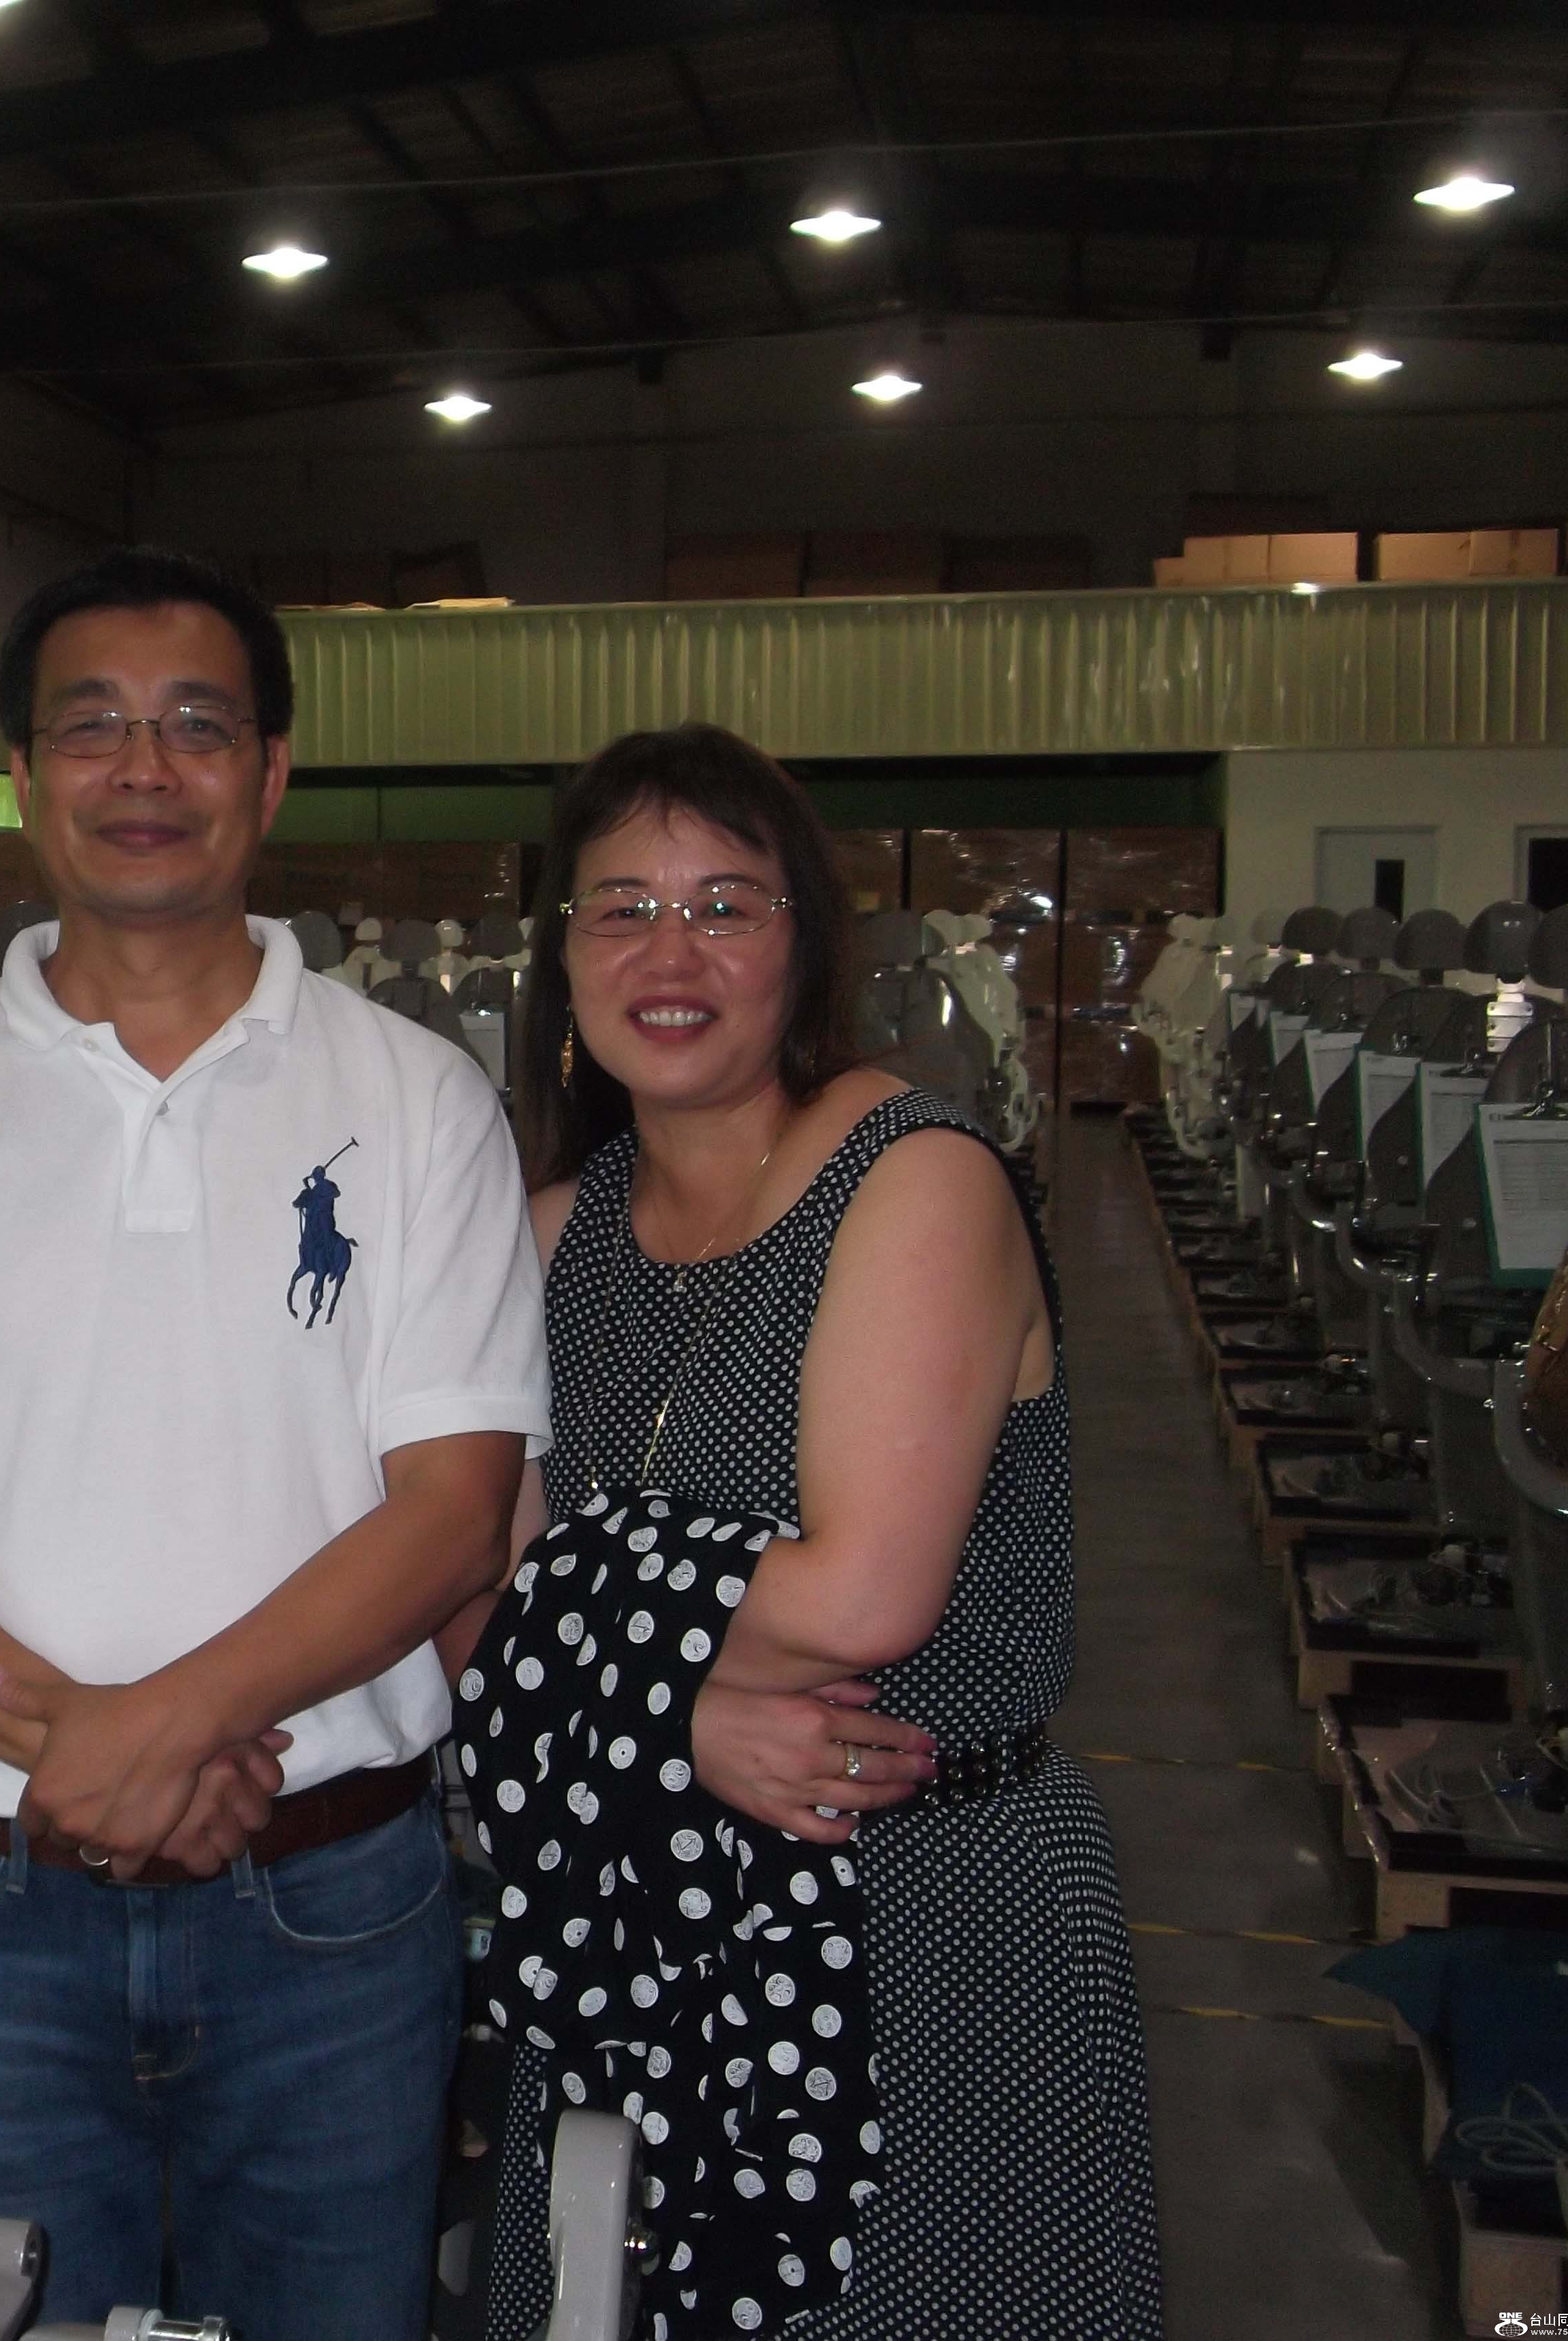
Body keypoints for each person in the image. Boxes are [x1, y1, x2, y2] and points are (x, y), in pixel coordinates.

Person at [0, 548, 546, 2339]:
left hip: (333, 1911)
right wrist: (84, 1755)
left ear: (271, 772)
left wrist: (145, 1739)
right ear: (26, 778)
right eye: (92, 728)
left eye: (198, 727)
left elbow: (452, 1517)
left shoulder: (418, 1102)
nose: (145, 771)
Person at [449, 723, 1161, 2338]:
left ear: (804, 943)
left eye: (726, 905)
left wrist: (579, 1652)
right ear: (564, 953)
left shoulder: (914, 1180)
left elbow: (862, 1599)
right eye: (622, 907)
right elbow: (461, 1598)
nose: (670, 954)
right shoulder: (551, 1237)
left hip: (932, 1914)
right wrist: (675, 1720)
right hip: (637, 1922)